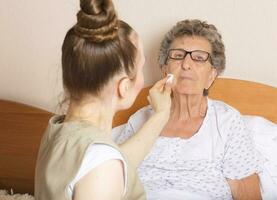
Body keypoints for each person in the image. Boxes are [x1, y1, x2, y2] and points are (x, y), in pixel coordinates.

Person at [34, 0, 172, 199]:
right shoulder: (102, 166)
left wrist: (161, 115)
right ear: (123, 87)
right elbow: (103, 169)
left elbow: (115, 162)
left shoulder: (59, 132)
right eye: (141, 67)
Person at [114, 19, 264, 200]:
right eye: (178, 56)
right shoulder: (140, 119)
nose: (186, 64)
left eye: (199, 58)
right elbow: (112, 179)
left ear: (212, 76)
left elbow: (249, 195)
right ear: (164, 70)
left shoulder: (227, 122)